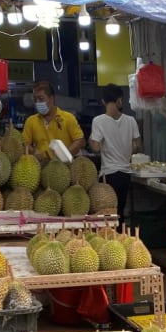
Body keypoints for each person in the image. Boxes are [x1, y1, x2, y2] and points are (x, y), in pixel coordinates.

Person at [88, 83, 142, 225]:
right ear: (120, 100)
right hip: (125, 174)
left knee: (106, 215)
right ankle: (121, 241)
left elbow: (95, 148)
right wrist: (126, 149)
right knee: (120, 212)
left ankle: (110, 242)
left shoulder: (98, 121)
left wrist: (90, 140)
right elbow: (138, 146)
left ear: (103, 102)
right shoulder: (131, 121)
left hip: (108, 175)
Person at [22, 81, 86, 161]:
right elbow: (25, 143)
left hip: (64, 168)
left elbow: (80, 141)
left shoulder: (68, 118)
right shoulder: (31, 121)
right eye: (35, 100)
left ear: (51, 99)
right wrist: (34, 151)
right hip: (42, 167)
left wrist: (65, 155)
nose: (38, 103)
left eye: (41, 99)